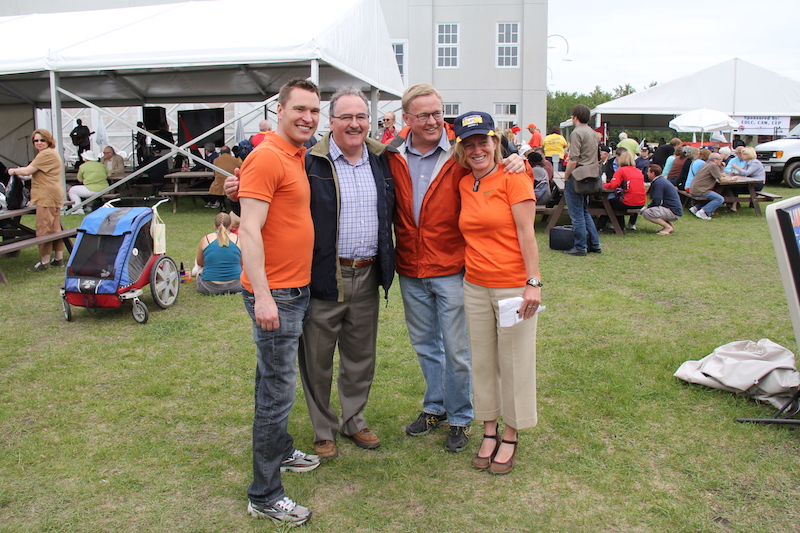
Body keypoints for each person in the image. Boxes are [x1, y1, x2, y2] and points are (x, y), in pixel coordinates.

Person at [384, 83, 528, 452]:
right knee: (425, 345)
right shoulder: (391, 152)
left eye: (437, 112)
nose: (433, 121)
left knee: (458, 348)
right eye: (424, 115)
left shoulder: (459, 148)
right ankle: (435, 407)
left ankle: (462, 417)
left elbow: (498, 163)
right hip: (410, 267)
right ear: (407, 119)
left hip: (450, 265)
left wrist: (521, 160)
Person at [237, 78, 322, 526]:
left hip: (295, 288)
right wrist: (265, 295)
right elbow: (248, 230)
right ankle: (265, 494)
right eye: (300, 109)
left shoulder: (295, 153)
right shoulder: (268, 157)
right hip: (278, 295)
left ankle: (282, 450)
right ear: (279, 111)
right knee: (277, 392)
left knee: (270, 380)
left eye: (314, 110)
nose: (308, 117)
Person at [298, 87, 395, 460]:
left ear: (368, 122)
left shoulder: (382, 160)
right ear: (331, 121)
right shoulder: (311, 162)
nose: (354, 124)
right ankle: (324, 428)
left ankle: (354, 419)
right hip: (325, 273)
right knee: (317, 358)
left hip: (368, 273)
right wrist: (237, 191)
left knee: (360, 356)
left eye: (361, 117)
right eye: (346, 117)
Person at [451, 111, 541, 476]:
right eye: (468, 144)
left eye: (483, 142)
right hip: (474, 284)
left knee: (515, 361)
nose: (477, 150)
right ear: (461, 149)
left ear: (495, 142)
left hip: (511, 286)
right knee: (484, 361)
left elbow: (527, 234)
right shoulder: (463, 183)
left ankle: (511, 434)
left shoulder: (514, 177)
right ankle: (488, 430)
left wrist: (532, 281)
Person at [8, 129, 65, 271]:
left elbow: (27, 171)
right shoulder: (52, 153)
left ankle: (44, 262)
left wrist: (12, 171)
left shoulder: (46, 154)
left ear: (48, 140)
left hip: (46, 196)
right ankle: (58, 258)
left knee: (44, 228)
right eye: (36, 140)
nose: (38, 143)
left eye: (42, 140)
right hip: (54, 194)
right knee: (55, 228)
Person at [562, 104, 601, 256]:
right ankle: (595, 244)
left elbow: (573, 159)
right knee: (584, 211)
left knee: (576, 212)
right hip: (590, 175)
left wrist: (566, 176)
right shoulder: (592, 132)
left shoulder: (577, 133)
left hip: (577, 176)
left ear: (575, 117)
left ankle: (580, 246)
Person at [597, 151, 646, 232]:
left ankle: (601, 226)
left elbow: (613, 185)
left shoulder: (621, 170)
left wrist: (603, 185)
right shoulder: (638, 171)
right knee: (616, 203)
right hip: (641, 202)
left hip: (628, 201)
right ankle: (619, 227)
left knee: (607, 203)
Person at [195, 212, 242, 295]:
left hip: (208, 286)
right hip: (236, 285)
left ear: (214, 226)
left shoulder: (206, 239)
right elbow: (241, 263)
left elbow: (200, 262)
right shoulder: (237, 239)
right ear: (230, 226)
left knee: (199, 270)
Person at [641, 164, 682, 235]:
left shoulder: (658, 183)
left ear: (653, 173)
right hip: (674, 209)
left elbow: (657, 201)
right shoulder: (661, 180)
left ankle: (667, 227)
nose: (647, 174)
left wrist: (648, 207)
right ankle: (669, 226)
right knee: (646, 210)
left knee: (647, 212)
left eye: (648, 172)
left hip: (673, 211)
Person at [688, 153, 729, 220]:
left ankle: (696, 208)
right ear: (715, 160)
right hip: (701, 190)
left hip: (694, 188)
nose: (721, 161)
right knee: (719, 199)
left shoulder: (707, 164)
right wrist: (733, 179)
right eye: (720, 159)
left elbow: (718, 174)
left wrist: (721, 167)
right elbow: (721, 180)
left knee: (712, 196)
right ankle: (704, 212)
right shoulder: (713, 165)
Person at [68, 150, 109, 214]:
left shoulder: (83, 166)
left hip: (92, 189)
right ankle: (88, 207)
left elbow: (80, 180)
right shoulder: (101, 165)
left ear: (84, 158)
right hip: (105, 189)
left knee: (72, 190)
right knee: (89, 190)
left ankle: (78, 209)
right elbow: (108, 175)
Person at [209, 146, 240, 211]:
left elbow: (214, 173)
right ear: (230, 153)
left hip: (219, 183)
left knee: (216, 185)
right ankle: (233, 206)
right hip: (232, 182)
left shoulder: (216, 160)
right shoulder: (235, 160)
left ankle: (222, 205)